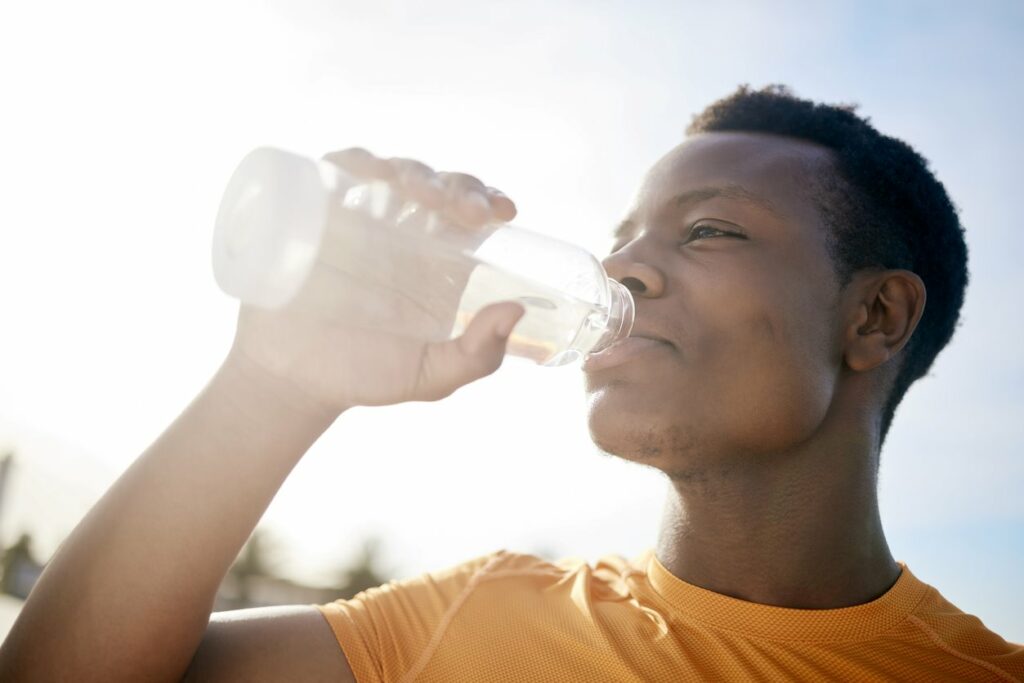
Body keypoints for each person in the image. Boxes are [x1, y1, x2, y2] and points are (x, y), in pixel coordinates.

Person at [0, 85, 1020, 682]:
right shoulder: (473, 620)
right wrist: (269, 385)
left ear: (873, 317)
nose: (624, 267)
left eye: (708, 229)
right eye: (623, 239)